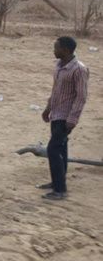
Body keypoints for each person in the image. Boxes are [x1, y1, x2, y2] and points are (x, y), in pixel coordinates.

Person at [39, 37, 89, 200]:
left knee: (53, 149)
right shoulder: (59, 67)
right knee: (61, 149)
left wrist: (72, 120)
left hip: (66, 116)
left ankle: (60, 190)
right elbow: (55, 91)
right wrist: (48, 109)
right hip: (56, 114)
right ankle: (56, 183)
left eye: (56, 48)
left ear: (66, 50)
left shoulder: (79, 69)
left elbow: (81, 97)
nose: (54, 50)